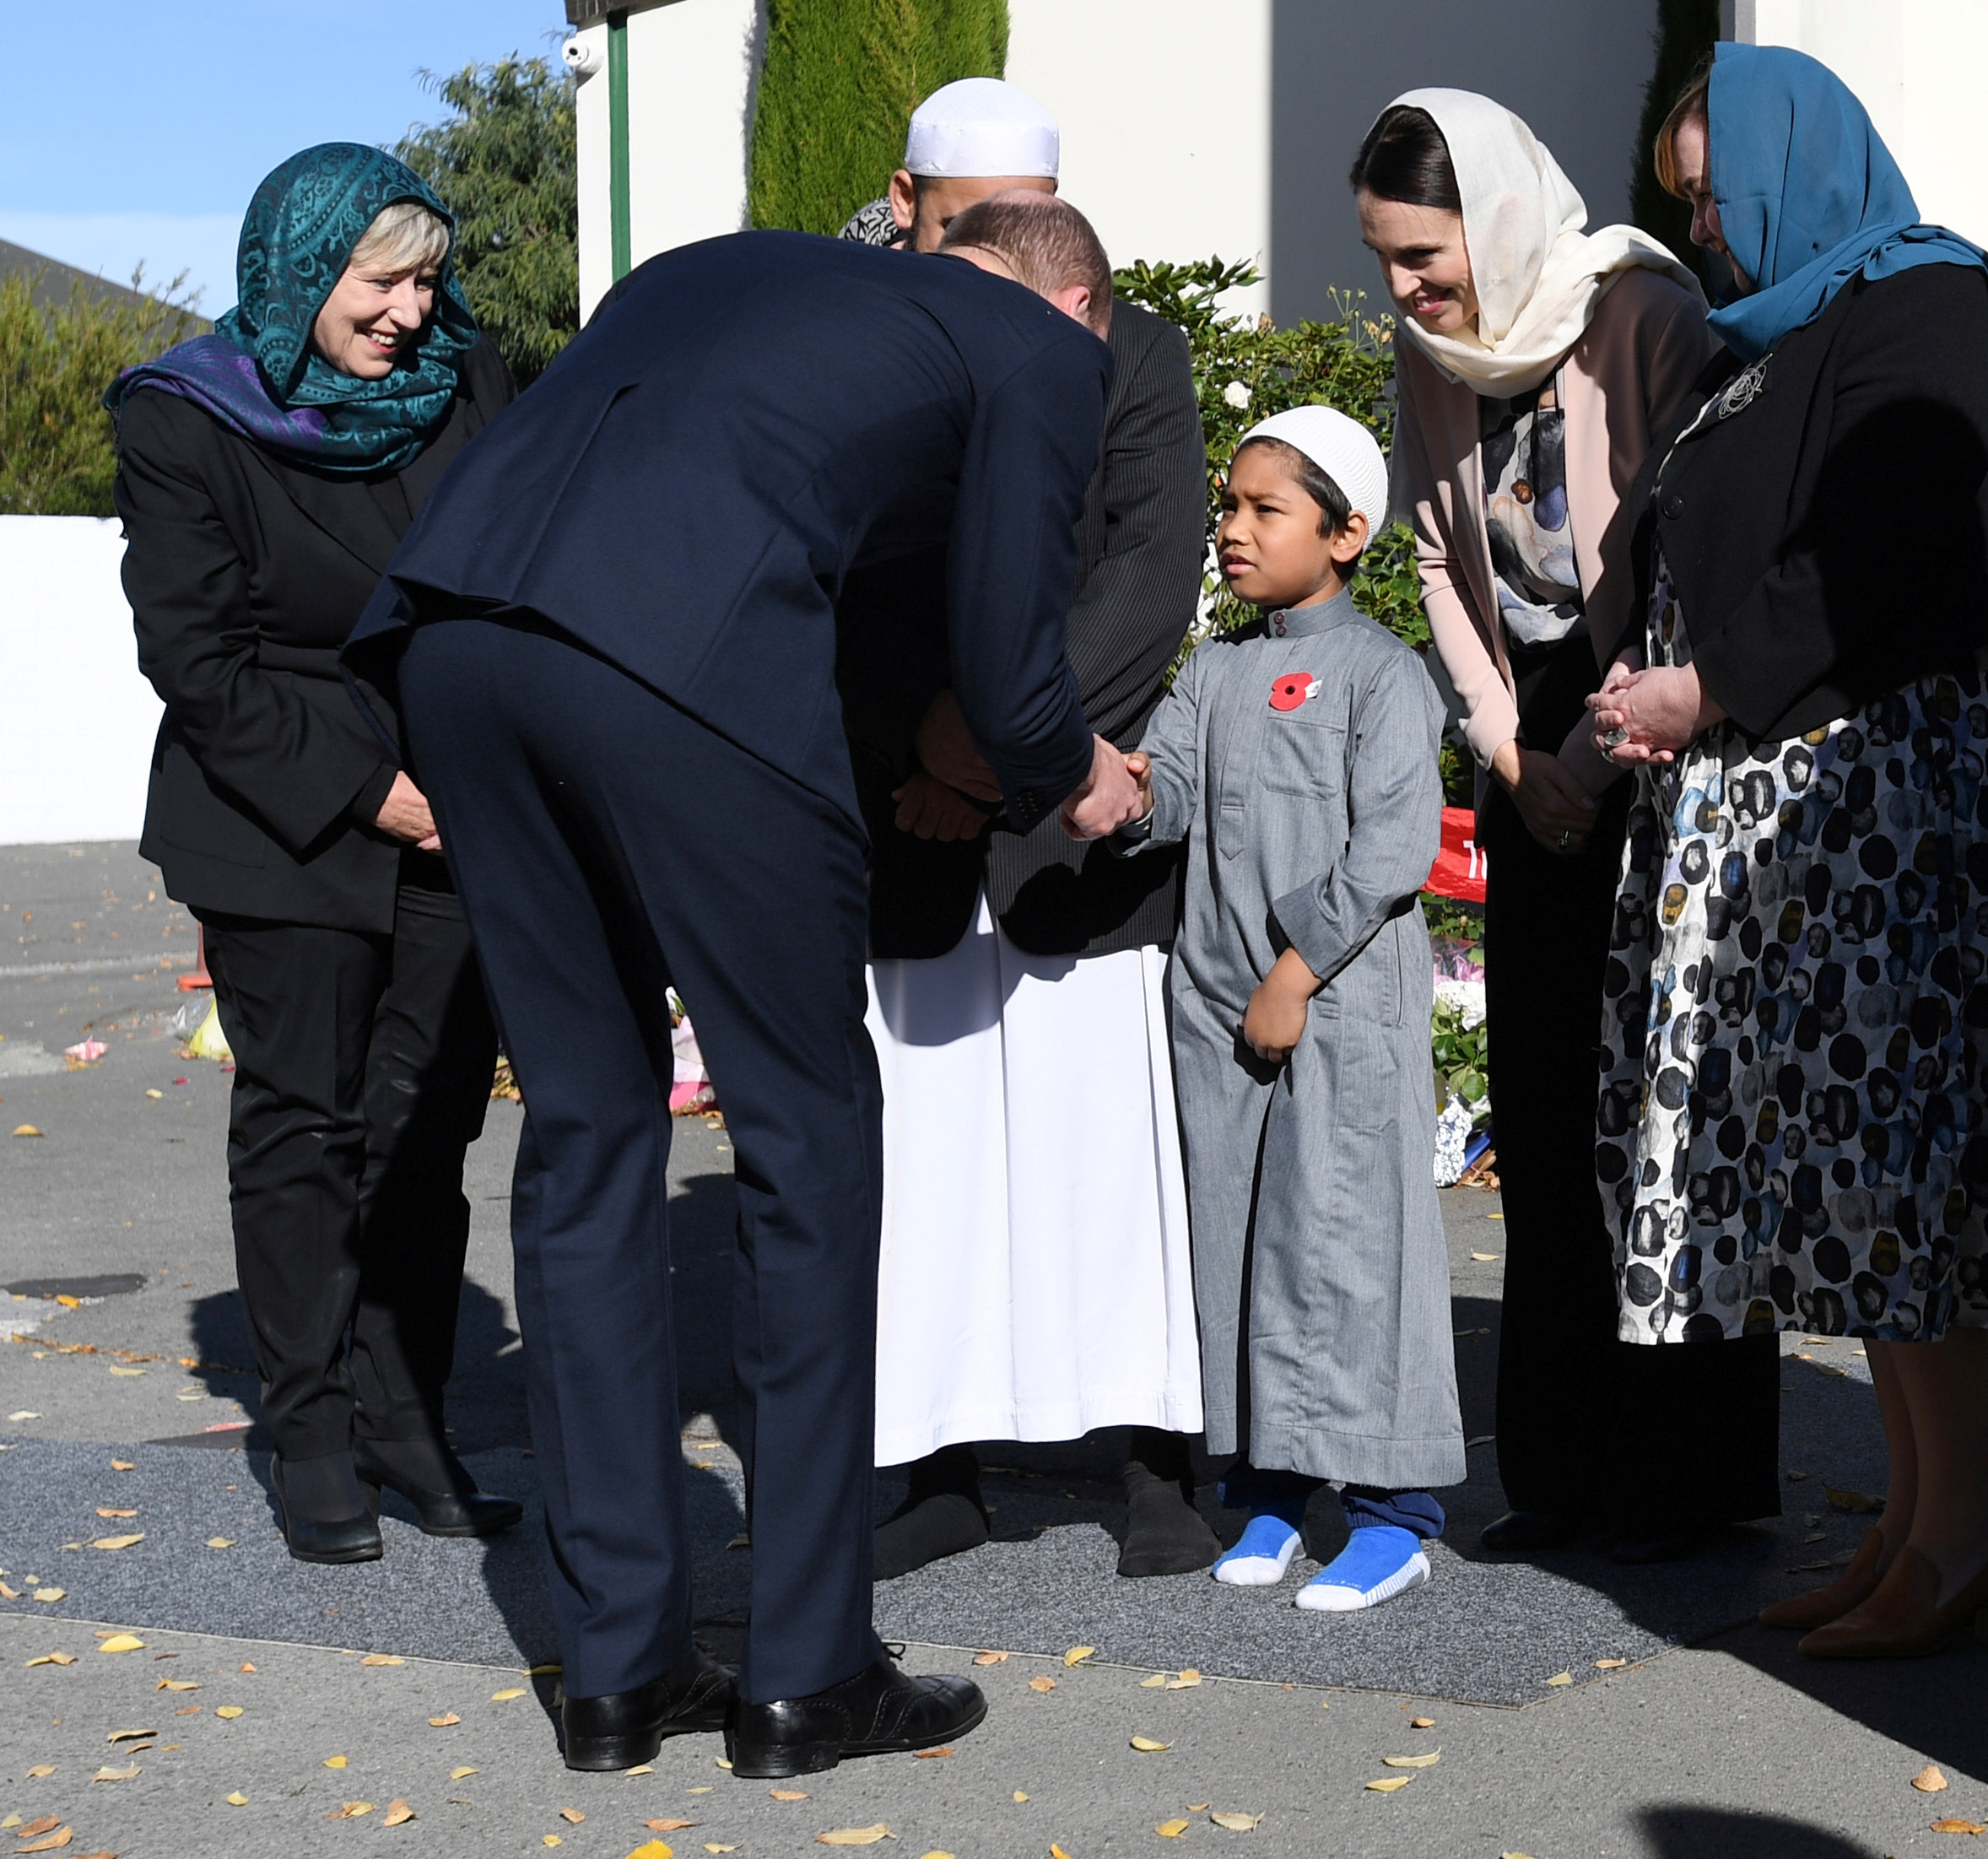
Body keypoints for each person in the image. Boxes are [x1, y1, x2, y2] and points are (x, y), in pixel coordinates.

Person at [343, 206, 1146, 1776]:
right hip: (675, 664)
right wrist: (1068, 774)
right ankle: (806, 1669)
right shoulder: (1043, 348)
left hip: (455, 643)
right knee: (810, 1135)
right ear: (1081, 305)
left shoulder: (729, 266)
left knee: (584, 1133)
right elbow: (1006, 648)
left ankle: (617, 1669)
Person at [1591, 46, 1988, 1659]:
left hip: (1902, 810)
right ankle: (1934, 1517)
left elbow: (1902, 551)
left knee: (1901, 1176)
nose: (1708, 229)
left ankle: (1962, 1525)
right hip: (1824, 811)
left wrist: (1711, 683)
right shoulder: (1789, 326)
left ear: (1796, 163)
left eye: (1714, 191)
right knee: (1858, 1187)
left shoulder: (1919, 307)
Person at [1359, 89, 1763, 1564]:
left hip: (1655, 719)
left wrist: (1590, 754)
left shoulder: (1641, 311)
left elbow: (1697, 553)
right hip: (1524, 733)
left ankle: (1688, 1477)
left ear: (1500, 211)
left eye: (1424, 251)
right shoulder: (1431, 349)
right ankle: (1561, 1471)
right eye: (1390, 258)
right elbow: (1438, 551)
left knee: (1662, 1102)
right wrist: (1501, 738)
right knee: (1539, 1096)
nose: (1408, 286)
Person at [105, 144, 522, 1566]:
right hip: (282, 808)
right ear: (302, 271)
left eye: (424, 279)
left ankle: (409, 1415)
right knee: (307, 1122)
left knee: (430, 1123)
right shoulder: (186, 415)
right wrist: (379, 792)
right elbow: (198, 657)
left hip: (460, 800)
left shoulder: (465, 388)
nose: (409, 311)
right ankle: (310, 1424)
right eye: (379, 280)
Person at [839, 99, 1218, 1586]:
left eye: (1036, 205)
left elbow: (1147, 564)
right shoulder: (859, 336)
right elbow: (843, 567)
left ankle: (1152, 1459)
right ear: (910, 199)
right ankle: (930, 1458)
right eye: (978, 209)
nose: (1008, 235)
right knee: (921, 1153)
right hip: (910, 805)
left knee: (1105, 1152)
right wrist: (917, 736)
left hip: (1057, 814)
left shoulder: (1134, 346)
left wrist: (992, 758)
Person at [1111, 406, 1462, 1612]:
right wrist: (1114, 798)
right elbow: (1169, 804)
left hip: (1336, 1006)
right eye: (1229, 506)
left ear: (1348, 530)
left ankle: (1389, 1512)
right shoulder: (1213, 672)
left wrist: (1295, 967)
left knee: (1349, 1247)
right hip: (1216, 1009)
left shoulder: (1383, 672)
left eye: (1267, 509)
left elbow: (1396, 845)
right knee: (1239, 1244)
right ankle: (1269, 1487)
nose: (1234, 530)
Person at [840, 75, 1058, 250]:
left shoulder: (1073, 294)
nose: (991, 264)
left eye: (1023, 232)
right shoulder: (861, 260)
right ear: (905, 201)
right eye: (962, 232)